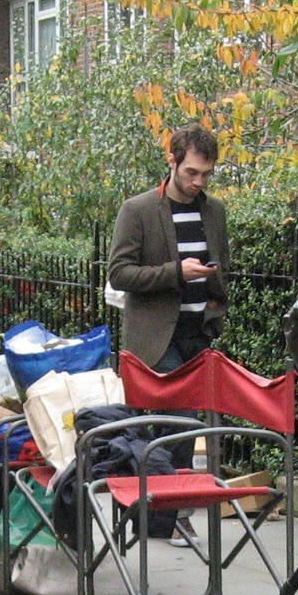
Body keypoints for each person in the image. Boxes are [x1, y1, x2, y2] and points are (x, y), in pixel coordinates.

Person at [108, 125, 229, 501]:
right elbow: (119, 273)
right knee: (181, 421)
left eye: (206, 174)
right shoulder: (138, 210)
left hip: (199, 336)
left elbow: (222, 267)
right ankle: (168, 506)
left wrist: (215, 310)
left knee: (176, 428)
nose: (198, 182)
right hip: (156, 339)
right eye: (191, 172)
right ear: (171, 161)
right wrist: (176, 272)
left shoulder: (214, 211)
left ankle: (160, 502)